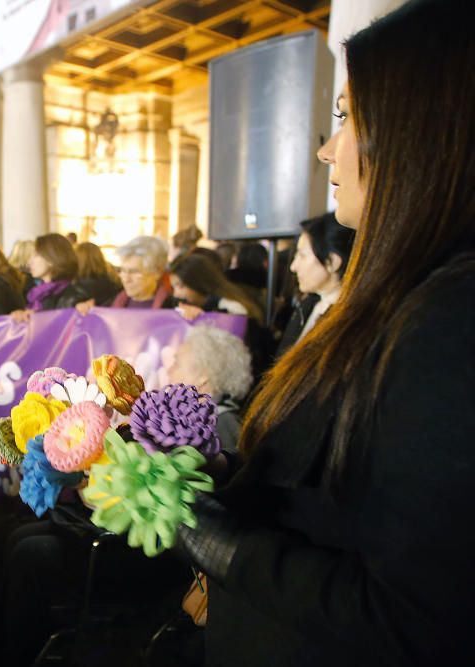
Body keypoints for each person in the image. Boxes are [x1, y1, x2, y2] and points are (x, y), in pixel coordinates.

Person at [173, 2, 475, 665]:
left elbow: (415, 621)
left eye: (345, 117)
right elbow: (326, 485)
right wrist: (199, 472)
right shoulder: (399, 295)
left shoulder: (451, 321)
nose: (325, 149)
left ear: (421, 127)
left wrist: (205, 533)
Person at [164, 323, 253, 454]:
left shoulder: (222, 424)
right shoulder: (196, 419)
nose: (169, 370)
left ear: (203, 376)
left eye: (177, 363)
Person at [276, 212, 356, 357]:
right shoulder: (307, 305)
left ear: (332, 262)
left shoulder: (349, 320)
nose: (293, 266)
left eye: (302, 255)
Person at [170, 253, 265, 325]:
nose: (175, 294)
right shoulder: (191, 307)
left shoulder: (232, 309)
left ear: (197, 282)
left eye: (181, 286)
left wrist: (203, 319)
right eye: (174, 287)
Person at [19, 233, 91, 313]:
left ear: (51, 258)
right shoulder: (39, 293)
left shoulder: (72, 298)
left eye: (36, 255)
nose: (29, 262)